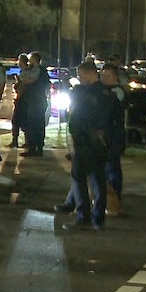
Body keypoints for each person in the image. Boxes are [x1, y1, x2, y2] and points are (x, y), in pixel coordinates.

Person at [61, 60, 110, 231]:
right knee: (98, 179)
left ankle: (83, 217)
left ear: (90, 74)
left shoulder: (85, 93)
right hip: (97, 143)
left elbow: (79, 117)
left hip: (85, 142)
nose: (80, 79)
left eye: (82, 76)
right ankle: (98, 218)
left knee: (79, 177)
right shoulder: (105, 93)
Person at [100, 63, 127, 216]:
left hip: (114, 137)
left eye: (107, 76)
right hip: (107, 136)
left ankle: (114, 202)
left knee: (112, 169)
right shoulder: (105, 91)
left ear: (115, 78)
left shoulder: (117, 93)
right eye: (102, 76)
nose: (103, 79)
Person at [20, 51, 48, 157]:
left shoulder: (38, 70)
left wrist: (24, 78)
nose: (29, 60)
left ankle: (34, 148)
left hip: (36, 101)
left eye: (31, 58)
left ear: (35, 59)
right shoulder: (39, 70)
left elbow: (30, 80)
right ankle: (37, 147)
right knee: (38, 124)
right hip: (38, 100)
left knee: (34, 124)